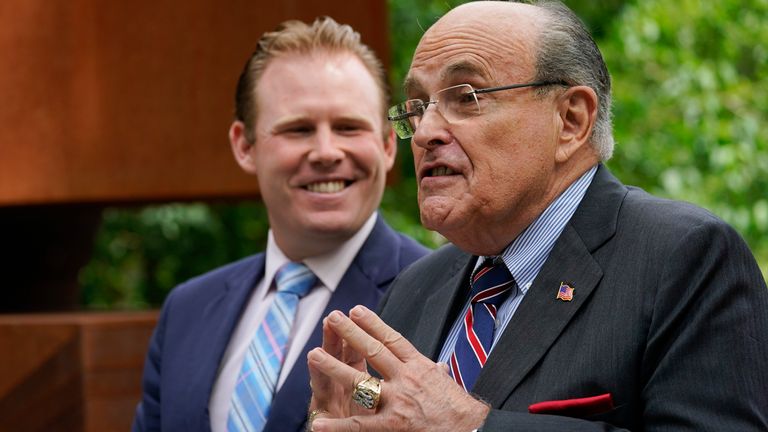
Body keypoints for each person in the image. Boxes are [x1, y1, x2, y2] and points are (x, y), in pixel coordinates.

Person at [305, 1, 768, 431]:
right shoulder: (416, 287)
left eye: (465, 97)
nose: (425, 132)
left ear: (570, 120)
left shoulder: (684, 257)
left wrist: (471, 425)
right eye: (418, 107)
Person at [131, 17, 429, 432]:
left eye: (348, 127)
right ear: (244, 145)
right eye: (298, 129)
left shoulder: (440, 298)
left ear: (384, 145)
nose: (327, 151)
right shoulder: (187, 309)